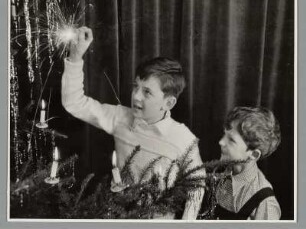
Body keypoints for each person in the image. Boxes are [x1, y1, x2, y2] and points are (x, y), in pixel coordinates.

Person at [61, 26, 204, 219]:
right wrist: (76, 57)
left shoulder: (183, 138)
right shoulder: (120, 117)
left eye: (147, 92)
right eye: (135, 86)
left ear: (168, 103)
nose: (136, 96)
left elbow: (197, 185)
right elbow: (74, 103)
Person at [212, 106, 281, 220]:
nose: (221, 142)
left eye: (231, 140)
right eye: (224, 134)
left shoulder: (265, 202)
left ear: (253, 155)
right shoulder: (219, 173)